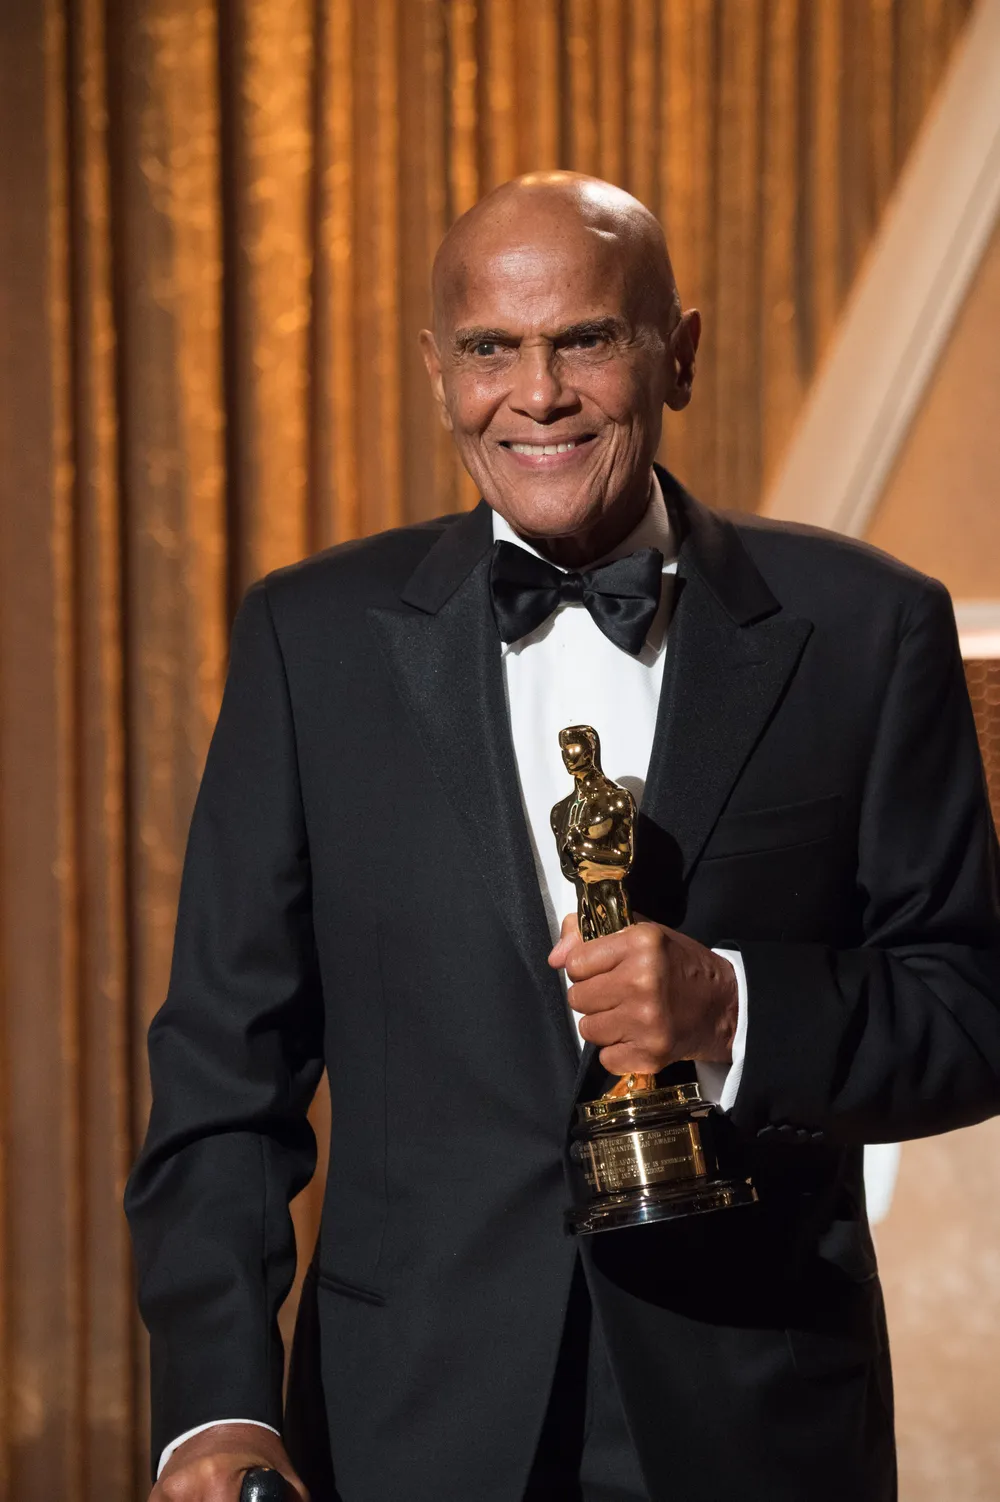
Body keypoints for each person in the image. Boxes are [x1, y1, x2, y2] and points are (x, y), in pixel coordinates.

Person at [125, 172, 1000, 1502]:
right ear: (439, 373)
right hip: (407, 1425)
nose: (535, 394)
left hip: (757, 1422)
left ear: (677, 355)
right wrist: (215, 1406)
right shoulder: (312, 642)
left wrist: (733, 1007)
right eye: (491, 349)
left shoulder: (867, 629)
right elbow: (221, 1070)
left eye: (584, 339)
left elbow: (971, 1008)